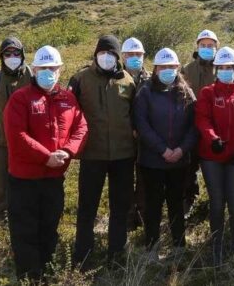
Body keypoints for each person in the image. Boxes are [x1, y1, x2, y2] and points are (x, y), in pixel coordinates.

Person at [2, 45, 88, 282]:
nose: (48, 72)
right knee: (25, 230)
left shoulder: (68, 98)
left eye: (53, 68)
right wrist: (46, 157)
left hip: (54, 178)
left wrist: (67, 151)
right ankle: (30, 277)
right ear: (34, 69)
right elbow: (17, 136)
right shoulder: (20, 98)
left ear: (60, 70)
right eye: (43, 68)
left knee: (49, 226)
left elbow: (81, 127)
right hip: (24, 180)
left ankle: (47, 271)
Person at [69, 35, 137, 267]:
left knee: (120, 207)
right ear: (95, 55)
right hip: (92, 155)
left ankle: (116, 255)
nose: (105, 57)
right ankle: (83, 256)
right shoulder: (80, 79)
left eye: (110, 54)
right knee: (87, 207)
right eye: (101, 53)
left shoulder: (127, 80)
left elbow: (135, 115)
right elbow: (69, 113)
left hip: (123, 155)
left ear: (117, 57)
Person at [196, 47, 234, 266]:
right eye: (221, 67)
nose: (225, 70)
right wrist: (212, 139)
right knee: (216, 202)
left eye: (229, 67)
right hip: (211, 157)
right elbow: (202, 119)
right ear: (216, 70)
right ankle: (217, 244)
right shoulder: (207, 93)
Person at [133, 48, 198, 260]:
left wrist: (181, 150)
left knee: (176, 204)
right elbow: (142, 125)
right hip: (152, 161)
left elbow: (194, 127)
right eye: (163, 67)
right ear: (155, 69)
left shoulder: (186, 92)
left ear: (177, 67)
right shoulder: (145, 92)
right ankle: (152, 248)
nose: (167, 70)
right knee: (153, 205)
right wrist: (163, 149)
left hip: (179, 161)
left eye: (171, 66)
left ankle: (179, 247)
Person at [0, 37, 33, 231]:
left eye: (16, 53)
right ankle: (0, 220)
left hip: (29, 141)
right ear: (1, 57)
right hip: (2, 141)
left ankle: (25, 216)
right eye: (7, 54)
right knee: (1, 181)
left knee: (28, 180)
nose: (12, 57)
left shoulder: (33, 76)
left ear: (22, 54)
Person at [181, 29, 219, 218]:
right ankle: (189, 202)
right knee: (189, 168)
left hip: (216, 129)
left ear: (216, 47)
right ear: (197, 47)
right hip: (192, 128)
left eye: (210, 46)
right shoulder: (187, 70)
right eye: (203, 45)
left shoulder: (222, 68)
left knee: (216, 167)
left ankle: (216, 204)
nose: (206, 48)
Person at [121, 37, 150, 231]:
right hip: (123, 139)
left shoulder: (151, 79)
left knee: (145, 180)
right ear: (123, 56)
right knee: (123, 181)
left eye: (138, 54)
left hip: (145, 139)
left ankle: (143, 219)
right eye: (130, 54)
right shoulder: (116, 78)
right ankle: (127, 220)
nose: (134, 57)